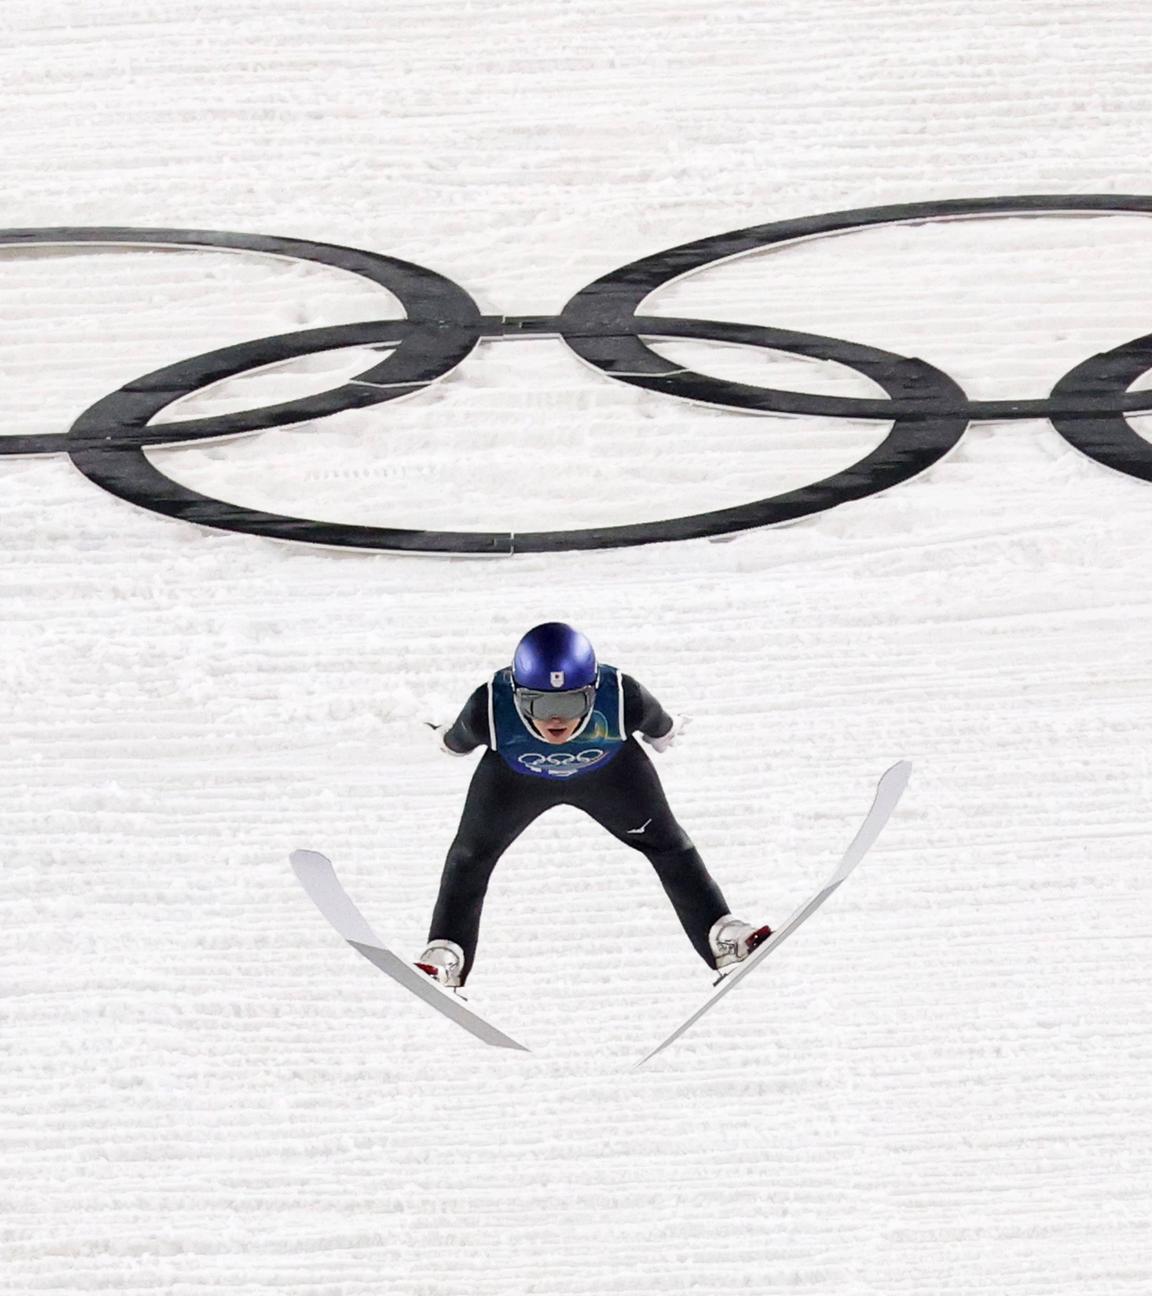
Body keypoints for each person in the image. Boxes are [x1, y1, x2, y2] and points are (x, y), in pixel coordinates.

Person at [418, 622, 770, 988]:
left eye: (571, 702)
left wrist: (667, 730)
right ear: (517, 695)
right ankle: (447, 955)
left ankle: (720, 934)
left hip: (611, 777)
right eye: (540, 704)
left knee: (670, 845)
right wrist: (445, 737)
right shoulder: (489, 706)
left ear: (594, 692)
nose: (556, 719)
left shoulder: (622, 696)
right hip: (514, 782)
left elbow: (659, 723)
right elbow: (457, 740)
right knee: (469, 856)